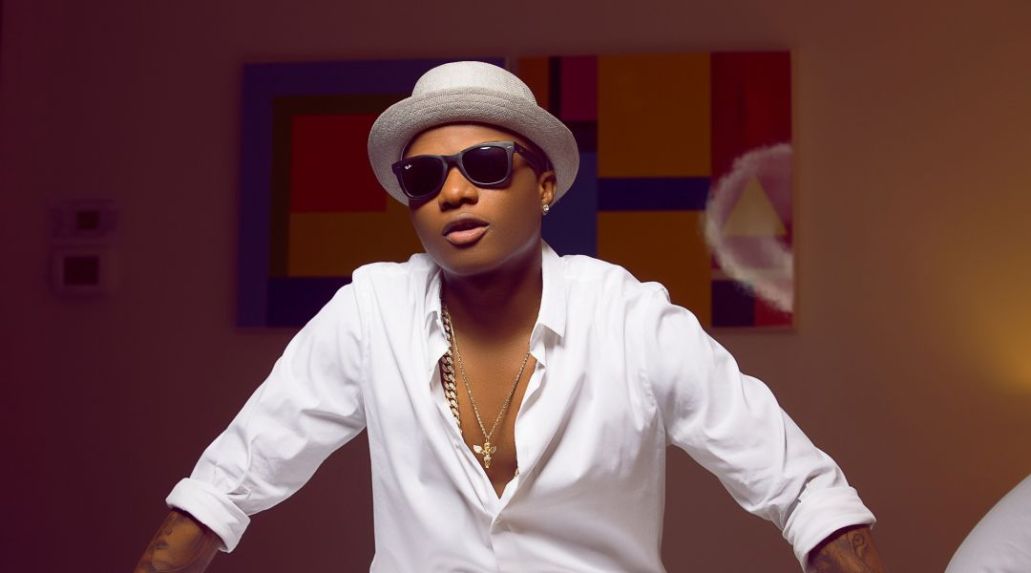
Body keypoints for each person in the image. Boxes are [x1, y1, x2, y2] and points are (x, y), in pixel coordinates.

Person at [135, 61, 885, 572]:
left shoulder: (630, 317)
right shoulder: (370, 311)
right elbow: (227, 485)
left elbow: (802, 490)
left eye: (487, 165)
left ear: (545, 185)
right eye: (423, 177)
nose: (454, 192)